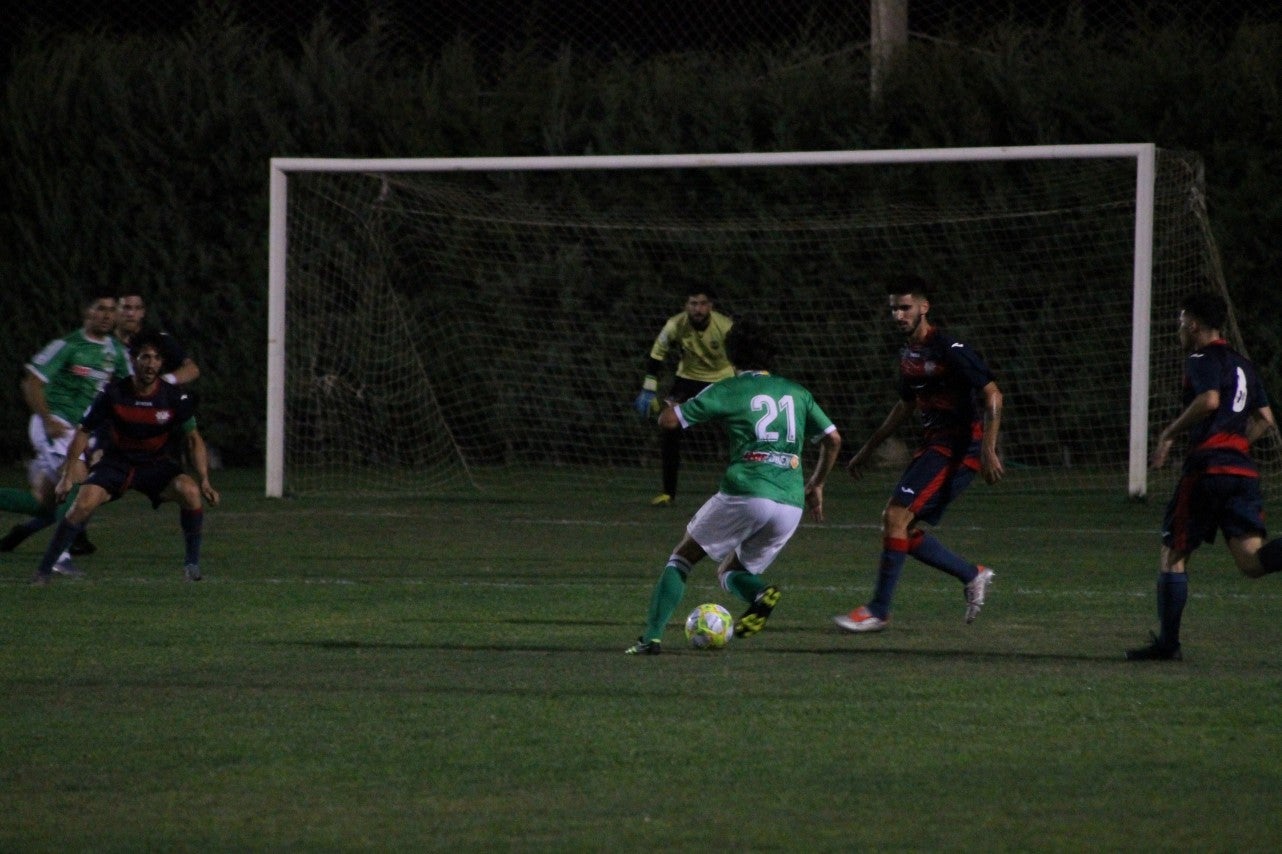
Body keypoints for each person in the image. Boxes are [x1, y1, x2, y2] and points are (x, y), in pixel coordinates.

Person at [625, 317, 842, 654]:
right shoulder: (798, 392)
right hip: (790, 503)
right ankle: (758, 594)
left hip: (747, 492)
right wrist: (816, 483)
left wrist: (670, 403)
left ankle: (650, 639)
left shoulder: (729, 389)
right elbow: (833, 439)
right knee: (729, 571)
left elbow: (669, 422)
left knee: (682, 558)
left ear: (731, 355)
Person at [833, 274, 1003, 633]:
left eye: (905, 307)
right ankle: (972, 574)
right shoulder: (909, 354)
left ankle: (879, 610)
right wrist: (867, 449)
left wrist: (988, 449)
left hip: (957, 447)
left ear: (924, 308)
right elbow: (905, 406)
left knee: (895, 517)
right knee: (901, 527)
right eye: (894, 308)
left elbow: (992, 394)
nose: (898, 315)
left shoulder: (949, 348)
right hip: (934, 445)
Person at [1126, 291, 1282, 661]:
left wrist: (1169, 434)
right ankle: (1167, 644)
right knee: (1252, 561)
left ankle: (1168, 645)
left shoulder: (1199, 357)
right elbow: (1266, 419)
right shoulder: (1243, 364)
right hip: (1241, 470)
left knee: (1174, 552)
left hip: (1208, 469)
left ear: (1194, 324)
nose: (1178, 328)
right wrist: (1233, 443)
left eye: (1181, 321)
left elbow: (1209, 400)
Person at [31, 330, 220, 585]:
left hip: (155, 464)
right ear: (133, 360)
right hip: (117, 462)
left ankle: (192, 565)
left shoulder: (174, 397)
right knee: (83, 504)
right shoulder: (113, 393)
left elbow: (194, 438)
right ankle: (44, 571)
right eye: (144, 357)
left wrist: (205, 479)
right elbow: (83, 432)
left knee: (190, 491)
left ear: (161, 363)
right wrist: (66, 476)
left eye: (155, 358)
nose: (150, 363)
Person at [0, 288, 131, 570]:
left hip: (79, 430)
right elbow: (32, 382)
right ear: (87, 312)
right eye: (101, 308)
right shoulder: (68, 345)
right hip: (55, 424)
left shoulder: (116, 352)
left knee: (44, 504)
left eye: (112, 310)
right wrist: (48, 420)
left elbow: (130, 387)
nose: (107, 315)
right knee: (80, 481)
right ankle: (61, 556)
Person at [633, 287, 734, 506]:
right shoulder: (675, 324)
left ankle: (745, 487)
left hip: (722, 381)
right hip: (687, 380)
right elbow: (657, 353)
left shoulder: (725, 326)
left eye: (703, 303)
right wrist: (649, 387)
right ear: (686, 306)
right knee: (668, 425)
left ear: (711, 306)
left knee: (739, 430)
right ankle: (668, 493)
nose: (698, 309)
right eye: (693, 303)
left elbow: (740, 354)